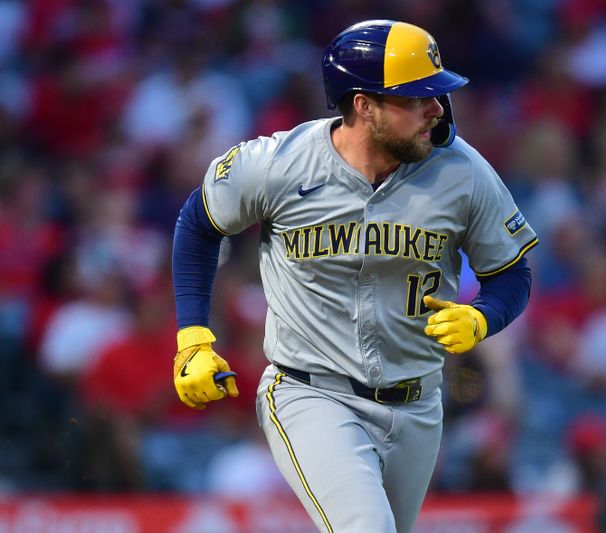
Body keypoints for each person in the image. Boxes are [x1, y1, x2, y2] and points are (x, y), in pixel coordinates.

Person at [170, 19, 537, 533]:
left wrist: (483, 317)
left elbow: (512, 272)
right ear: (363, 105)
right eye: (417, 97)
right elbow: (198, 223)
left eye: (436, 94)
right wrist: (193, 336)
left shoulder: (463, 171)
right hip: (312, 391)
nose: (436, 108)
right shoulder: (279, 163)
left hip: (418, 403)